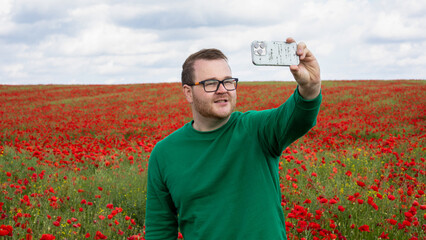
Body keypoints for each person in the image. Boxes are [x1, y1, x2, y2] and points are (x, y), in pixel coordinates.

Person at [145, 37, 322, 239]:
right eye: (210, 83)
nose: (223, 90)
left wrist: (311, 86)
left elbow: (299, 117)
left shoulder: (257, 130)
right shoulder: (165, 153)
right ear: (188, 93)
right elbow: (159, 230)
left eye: (228, 82)